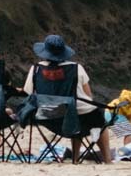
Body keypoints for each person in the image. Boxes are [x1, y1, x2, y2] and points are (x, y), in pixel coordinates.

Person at [21, 34, 111, 162]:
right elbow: (88, 96)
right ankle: (106, 159)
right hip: (78, 119)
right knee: (95, 116)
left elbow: (28, 92)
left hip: (47, 117)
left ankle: (76, 157)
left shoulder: (36, 69)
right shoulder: (76, 68)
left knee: (72, 109)